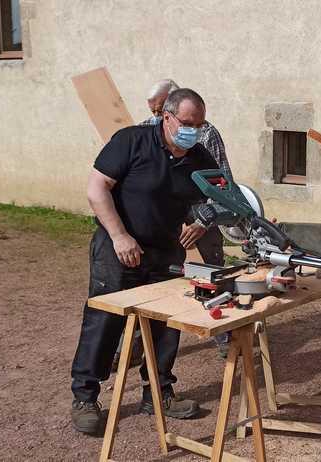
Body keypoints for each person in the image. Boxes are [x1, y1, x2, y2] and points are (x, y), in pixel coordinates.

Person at [70, 88, 219, 434]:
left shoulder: (199, 157)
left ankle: (158, 394)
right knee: (104, 321)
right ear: (167, 117)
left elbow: (222, 195)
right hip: (118, 248)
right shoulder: (131, 141)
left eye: (199, 125)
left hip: (165, 253)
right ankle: (85, 397)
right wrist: (120, 236)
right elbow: (96, 189)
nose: (193, 131)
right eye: (187, 123)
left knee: (165, 326)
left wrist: (203, 221)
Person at [140, 79, 232, 358]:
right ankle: (136, 345)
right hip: (162, 220)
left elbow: (223, 185)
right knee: (152, 282)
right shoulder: (145, 129)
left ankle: (224, 336)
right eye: (156, 112)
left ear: (174, 103)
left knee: (212, 275)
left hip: (200, 215)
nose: (157, 117)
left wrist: (203, 222)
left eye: (160, 110)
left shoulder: (206, 133)